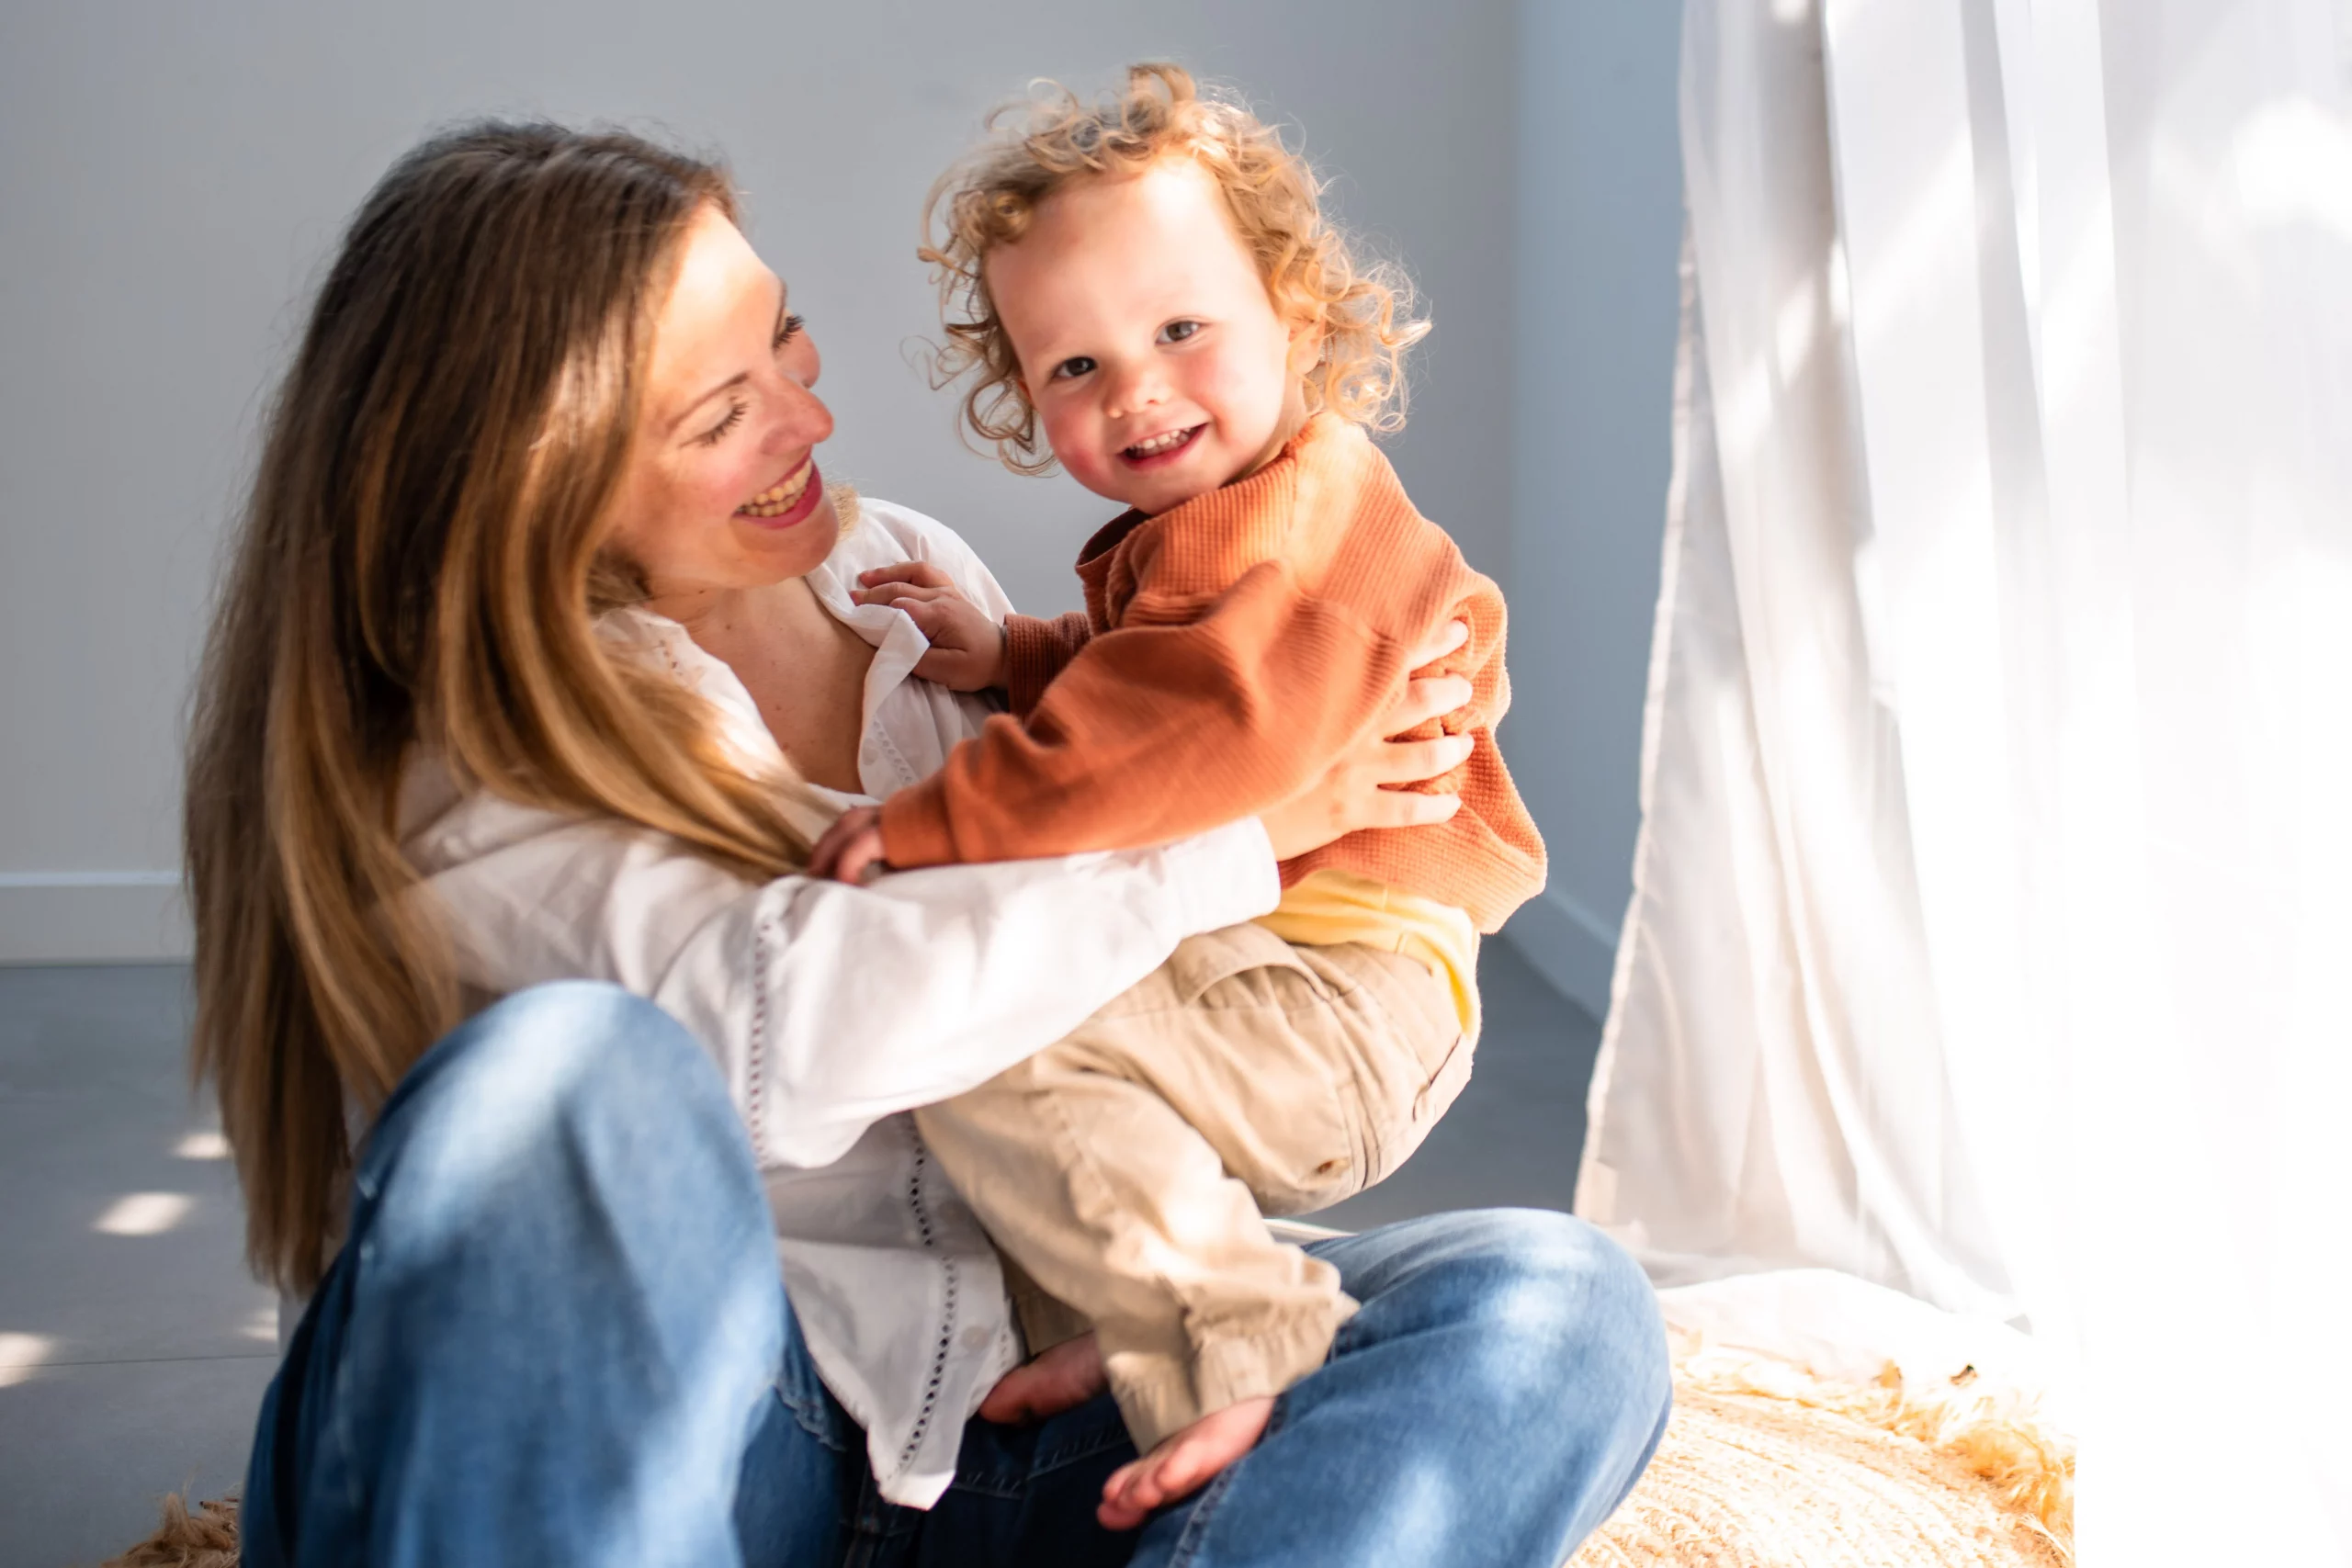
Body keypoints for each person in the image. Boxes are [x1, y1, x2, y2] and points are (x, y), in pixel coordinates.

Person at [182, 119, 1670, 1567]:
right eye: (721, 413)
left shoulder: (895, 580)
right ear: (534, 491)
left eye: (790, 338)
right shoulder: (476, 762)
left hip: (1005, 1386)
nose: (808, 420)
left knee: (1554, 1305)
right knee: (563, 1076)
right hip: (730, 1422)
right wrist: (1245, 832)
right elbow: (797, 1032)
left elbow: (1098, 886)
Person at [807, 63, 1544, 1512]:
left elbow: (1173, 739)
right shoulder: (1247, 518)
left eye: (1181, 329)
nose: (1135, 389)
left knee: (998, 1032)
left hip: (1338, 1002)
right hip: (1322, 969)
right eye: (1072, 367)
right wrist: (1017, 650)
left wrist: (926, 819)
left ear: (1300, 312)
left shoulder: (1277, 532)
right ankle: (1114, 1321)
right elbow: (1157, 667)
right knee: (1041, 1030)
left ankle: (1238, 1334)